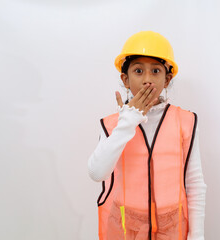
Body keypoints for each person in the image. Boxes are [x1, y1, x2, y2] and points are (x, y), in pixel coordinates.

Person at [88, 31, 207, 240]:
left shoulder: (185, 121)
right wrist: (128, 121)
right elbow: (97, 172)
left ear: (167, 78)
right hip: (126, 230)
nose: (147, 80)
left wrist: (197, 236)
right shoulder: (112, 125)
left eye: (155, 71)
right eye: (138, 70)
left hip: (172, 230)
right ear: (125, 79)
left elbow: (194, 183)